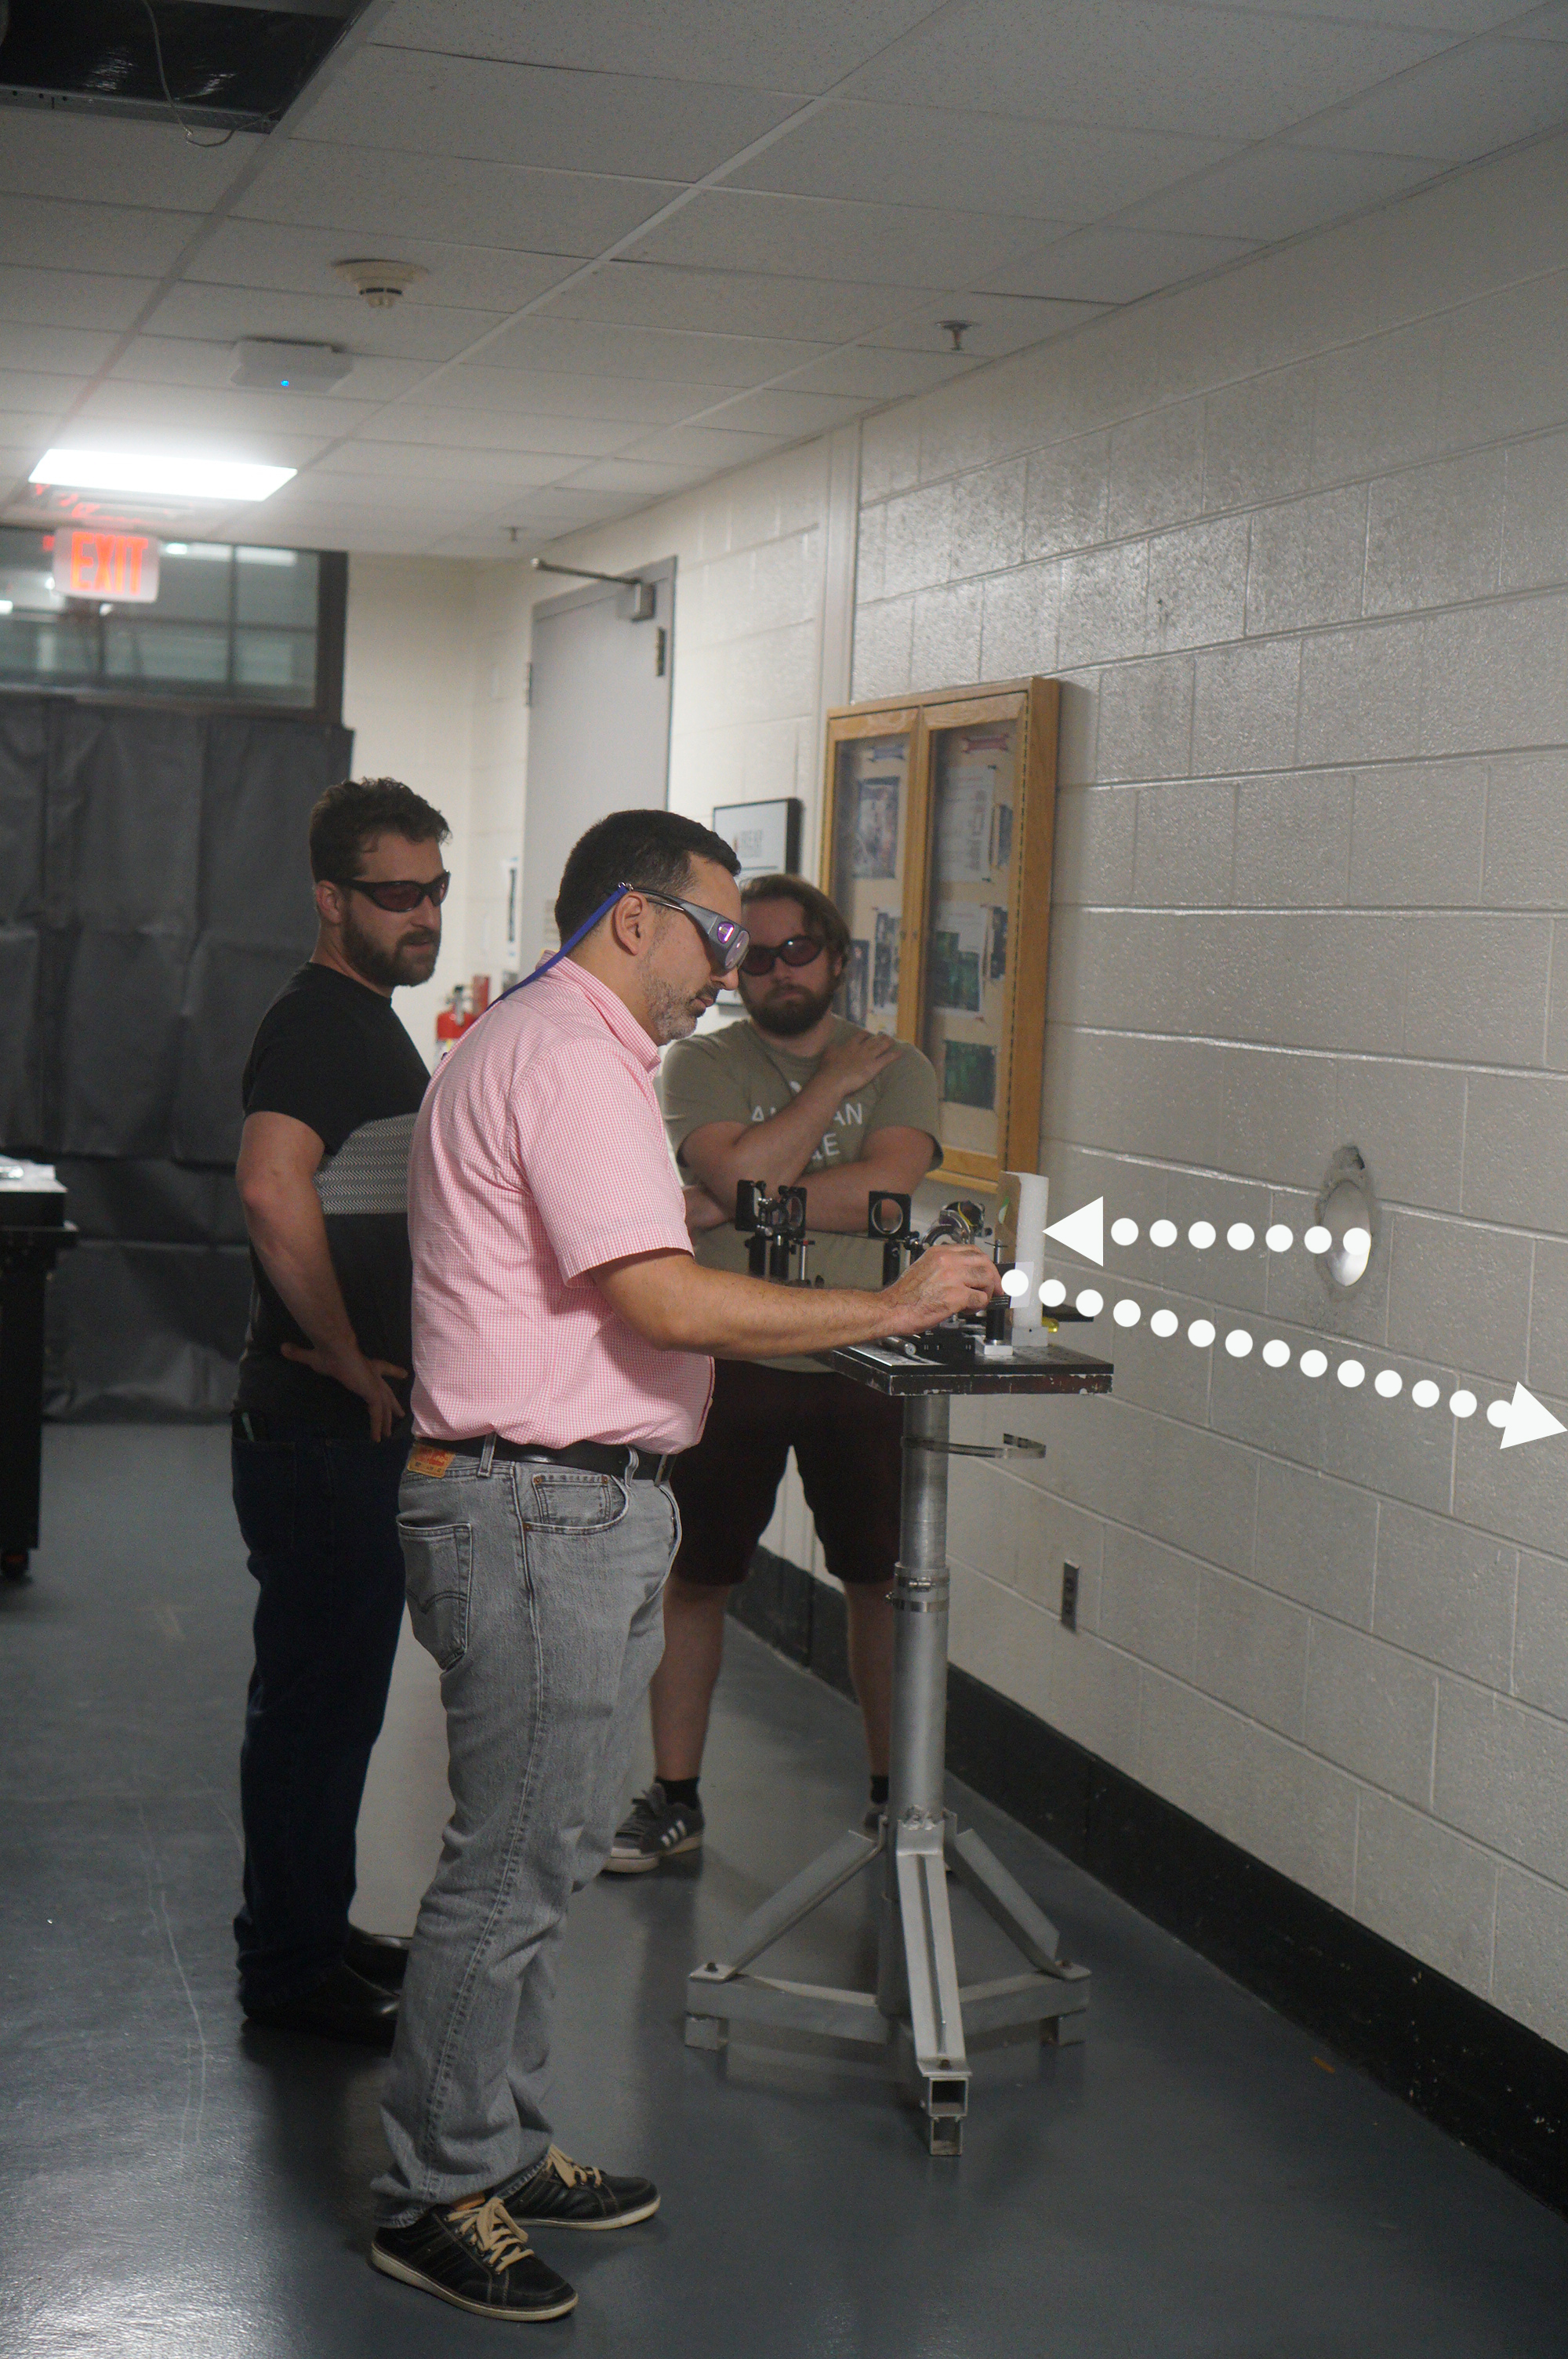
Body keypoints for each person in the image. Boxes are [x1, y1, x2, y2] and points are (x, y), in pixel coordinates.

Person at [371, 809, 999, 2325]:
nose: (726, 972)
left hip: (564, 1504)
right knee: (509, 1867)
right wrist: (890, 1303)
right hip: (535, 1507)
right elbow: (659, 1291)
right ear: (634, 919)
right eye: (716, 937)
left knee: (546, 1849)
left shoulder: (550, 1044)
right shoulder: (572, 1058)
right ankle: (435, 2188)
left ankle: (498, 2145)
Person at [607, 874, 940, 1874]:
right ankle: (674, 1798)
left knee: (878, 1579)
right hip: (731, 1351)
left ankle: (894, 1798)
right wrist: (830, 1089)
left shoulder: (905, 1066)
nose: (776, 970)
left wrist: (735, 1195)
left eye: (797, 951)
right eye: (752, 955)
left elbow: (882, 1193)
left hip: (861, 1350)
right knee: (698, 1577)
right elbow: (747, 1178)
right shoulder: (699, 1061)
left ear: (837, 958)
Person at [231, 776, 449, 2048]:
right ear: (331, 899)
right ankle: (289, 1963)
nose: (419, 913)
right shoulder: (323, 1020)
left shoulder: (366, 1020)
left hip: (339, 1430)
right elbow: (272, 1190)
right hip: (320, 1432)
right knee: (316, 1701)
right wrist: (343, 1350)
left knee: (332, 1697)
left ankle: (310, 1920)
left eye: (431, 888)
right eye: (392, 892)